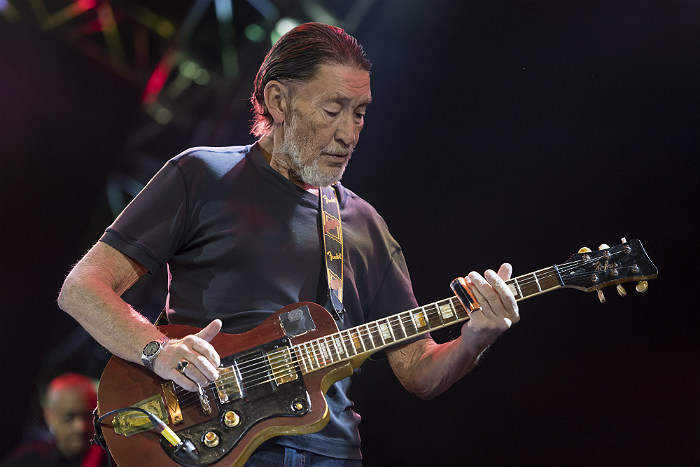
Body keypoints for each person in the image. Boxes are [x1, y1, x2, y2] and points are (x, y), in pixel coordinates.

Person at [57, 22, 519, 466]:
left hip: (331, 453)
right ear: (278, 100)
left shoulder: (367, 226)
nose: (349, 134)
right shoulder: (202, 175)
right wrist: (158, 351)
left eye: (359, 113)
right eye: (332, 110)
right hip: (211, 443)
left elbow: (419, 370)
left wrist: (475, 338)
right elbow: (82, 288)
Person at [2, 373, 107, 467]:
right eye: (69, 417)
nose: (80, 427)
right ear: (49, 417)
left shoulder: (110, 460)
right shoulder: (27, 461)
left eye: (88, 416)